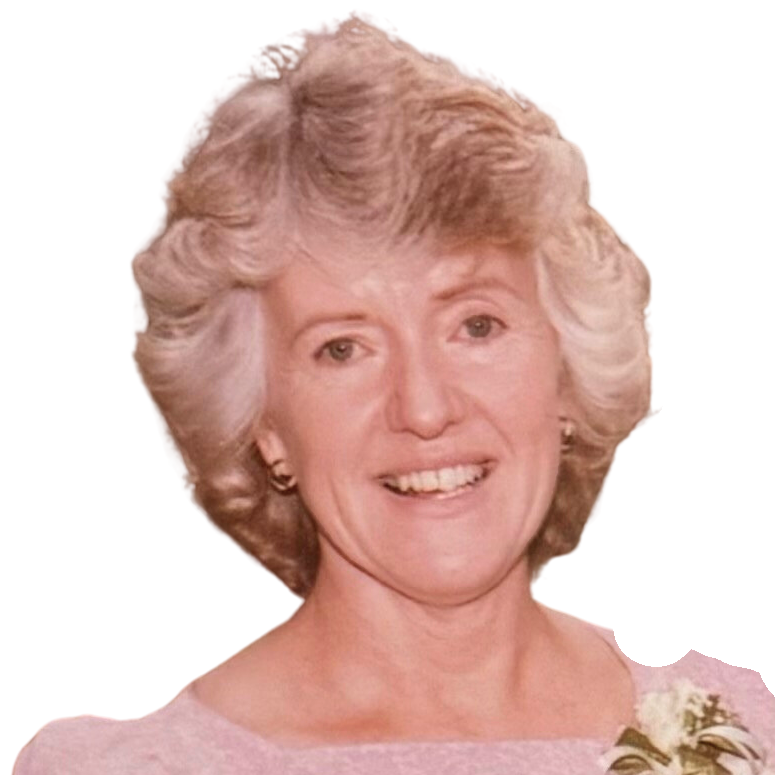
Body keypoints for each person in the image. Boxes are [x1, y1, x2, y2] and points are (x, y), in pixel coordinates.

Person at [13, 16, 774, 775]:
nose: (424, 409)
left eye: (475, 325)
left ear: (567, 371)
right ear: (265, 425)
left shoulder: (743, 735)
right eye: (342, 348)